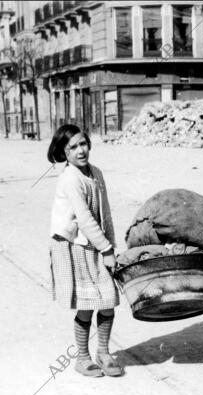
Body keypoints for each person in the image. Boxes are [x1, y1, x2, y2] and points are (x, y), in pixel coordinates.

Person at [47, 124, 124, 378]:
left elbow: (105, 215)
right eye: (73, 147)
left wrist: (111, 247)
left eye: (83, 144)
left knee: (108, 300)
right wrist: (106, 250)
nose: (81, 151)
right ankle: (82, 358)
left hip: (96, 244)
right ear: (64, 153)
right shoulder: (70, 178)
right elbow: (85, 218)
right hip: (74, 246)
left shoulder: (96, 173)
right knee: (88, 304)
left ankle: (104, 352)